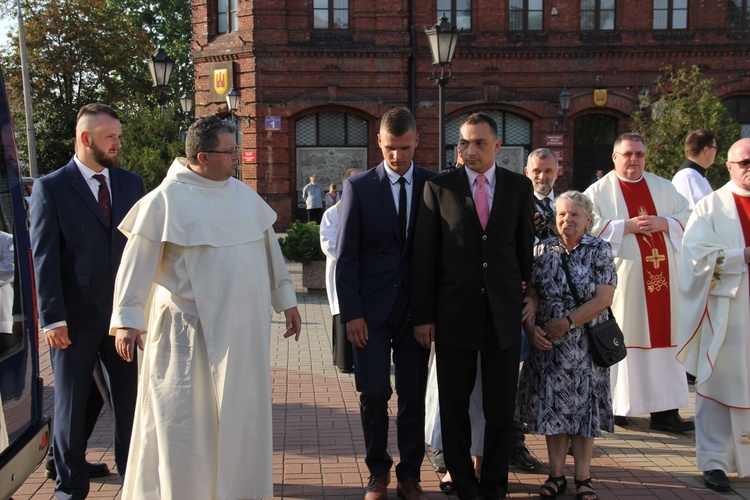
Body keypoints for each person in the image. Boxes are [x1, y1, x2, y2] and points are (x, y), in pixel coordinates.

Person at [110, 115, 302, 499]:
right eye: (230, 153)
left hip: (243, 335)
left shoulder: (243, 196)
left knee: (241, 423)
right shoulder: (163, 201)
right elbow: (136, 264)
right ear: (202, 156)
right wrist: (128, 319)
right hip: (185, 335)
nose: (237, 159)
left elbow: (270, 253)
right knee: (184, 427)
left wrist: (287, 301)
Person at [411, 112, 535, 500]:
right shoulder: (440, 187)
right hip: (454, 315)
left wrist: (527, 294)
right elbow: (424, 257)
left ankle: (495, 484)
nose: (470, 150)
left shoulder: (518, 187)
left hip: (502, 315)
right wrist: (424, 317)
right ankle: (463, 482)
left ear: (498, 146)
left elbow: (523, 250)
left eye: (480, 142)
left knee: (500, 408)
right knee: (454, 406)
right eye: (463, 143)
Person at [29, 103, 145, 499]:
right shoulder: (52, 187)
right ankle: (70, 484)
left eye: (118, 136)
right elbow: (43, 257)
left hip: (123, 319)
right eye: (110, 137)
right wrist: (52, 318)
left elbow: (142, 250)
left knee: (128, 402)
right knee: (72, 404)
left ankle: (134, 480)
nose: (117, 143)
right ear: (86, 138)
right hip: (73, 320)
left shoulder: (131, 183)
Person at [336, 107, 436, 500]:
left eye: (406, 148)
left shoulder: (433, 185)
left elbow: (437, 257)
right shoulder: (359, 187)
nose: (398, 156)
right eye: (391, 148)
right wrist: (352, 314)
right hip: (370, 315)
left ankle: (409, 474)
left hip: (416, 314)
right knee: (374, 392)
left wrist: (429, 316)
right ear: (379, 142)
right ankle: (377, 471)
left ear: (417, 142)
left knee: (413, 394)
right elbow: (347, 257)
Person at [583, 133, 693, 433]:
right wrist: (624, 227)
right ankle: (619, 408)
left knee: (665, 340)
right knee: (624, 338)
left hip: (664, 284)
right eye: (628, 154)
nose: (634, 159)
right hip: (625, 285)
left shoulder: (662, 186)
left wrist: (665, 222)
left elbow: (690, 216)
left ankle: (665, 411)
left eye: (639, 154)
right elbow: (585, 224)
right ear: (615, 157)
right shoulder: (598, 191)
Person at [517, 190, 617, 500]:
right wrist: (532, 327)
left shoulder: (599, 250)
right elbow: (531, 292)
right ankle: (556, 475)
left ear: (588, 220)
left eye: (574, 215)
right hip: (549, 345)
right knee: (553, 412)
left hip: (584, 345)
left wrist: (568, 322)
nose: (567, 220)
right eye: (561, 214)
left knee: (584, 414)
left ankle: (583, 478)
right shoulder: (543, 250)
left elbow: (604, 298)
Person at [676, 137, 750, 493]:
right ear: (730, 167)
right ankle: (715, 462)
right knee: (718, 382)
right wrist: (740, 257)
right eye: (744, 162)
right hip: (727, 310)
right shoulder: (711, 206)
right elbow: (694, 258)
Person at [320, 169, 360, 374]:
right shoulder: (332, 213)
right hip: (341, 269)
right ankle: (344, 360)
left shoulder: (366, 208)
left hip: (363, 271)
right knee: (343, 311)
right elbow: (328, 243)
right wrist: (352, 257)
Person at [671, 129, 717, 208]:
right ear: (706, 150)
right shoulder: (688, 176)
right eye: (715, 148)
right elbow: (696, 214)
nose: (716, 152)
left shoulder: (694, 175)